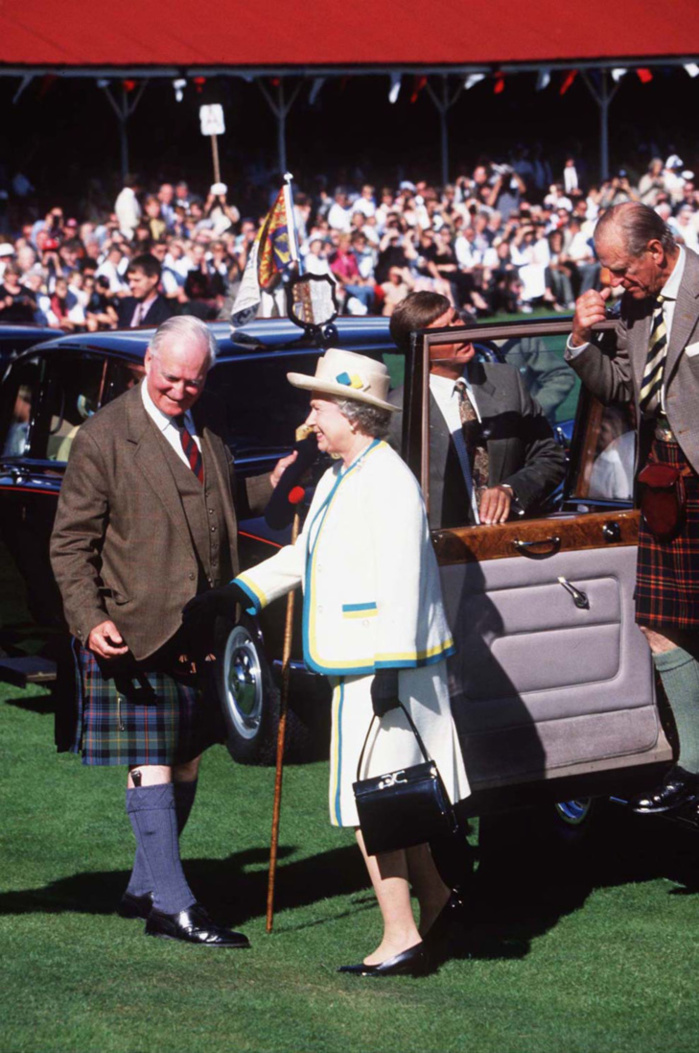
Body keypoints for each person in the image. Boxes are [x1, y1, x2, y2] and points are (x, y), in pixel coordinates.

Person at [185, 348, 470, 976]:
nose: (310, 420)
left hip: (387, 665)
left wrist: (390, 670)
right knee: (392, 798)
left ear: (353, 415)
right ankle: (438, 902)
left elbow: (404, 576)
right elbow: (304, 554)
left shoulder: (387, 479)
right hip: (365, 663)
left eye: (318, 408)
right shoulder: (342, 474)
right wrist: (238, 592)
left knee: (373, 803)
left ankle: (400, 937)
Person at [49, 315, 292, 947]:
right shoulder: (104, 438)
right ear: (148, 365)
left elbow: (217, 504)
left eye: (194, 381)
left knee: (186, 758)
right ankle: (173, 906)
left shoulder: (204, 430)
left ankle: (142, 887)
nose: (181, 391)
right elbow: (70, 544)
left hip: (201, 629)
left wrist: (275, 482)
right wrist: (90, 618)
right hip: (134, 627)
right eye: (172, 379)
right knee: (153, 758)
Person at [567, 201, 699, 815]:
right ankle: (693, 767)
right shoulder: (633, 308)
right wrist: (580, 340)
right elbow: (624, 387)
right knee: (659, 623)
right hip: (664, 484)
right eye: (607, 270)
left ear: (656, 250)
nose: (613, 281)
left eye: (621, 269)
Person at [388, 292, 566, 529]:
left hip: (512, 537)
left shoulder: (507, 380)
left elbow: (550, 457)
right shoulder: (398, 412)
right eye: (444, 330)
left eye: (456, 319)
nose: (460, 330)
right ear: (420, 348)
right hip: (444, 545)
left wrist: (511, 489)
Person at [117, 254, 174, 328]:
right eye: (129, 280)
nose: (131, 285)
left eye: (137, 280)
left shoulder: (166, 311)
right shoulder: (126, 305)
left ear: (153, 279)